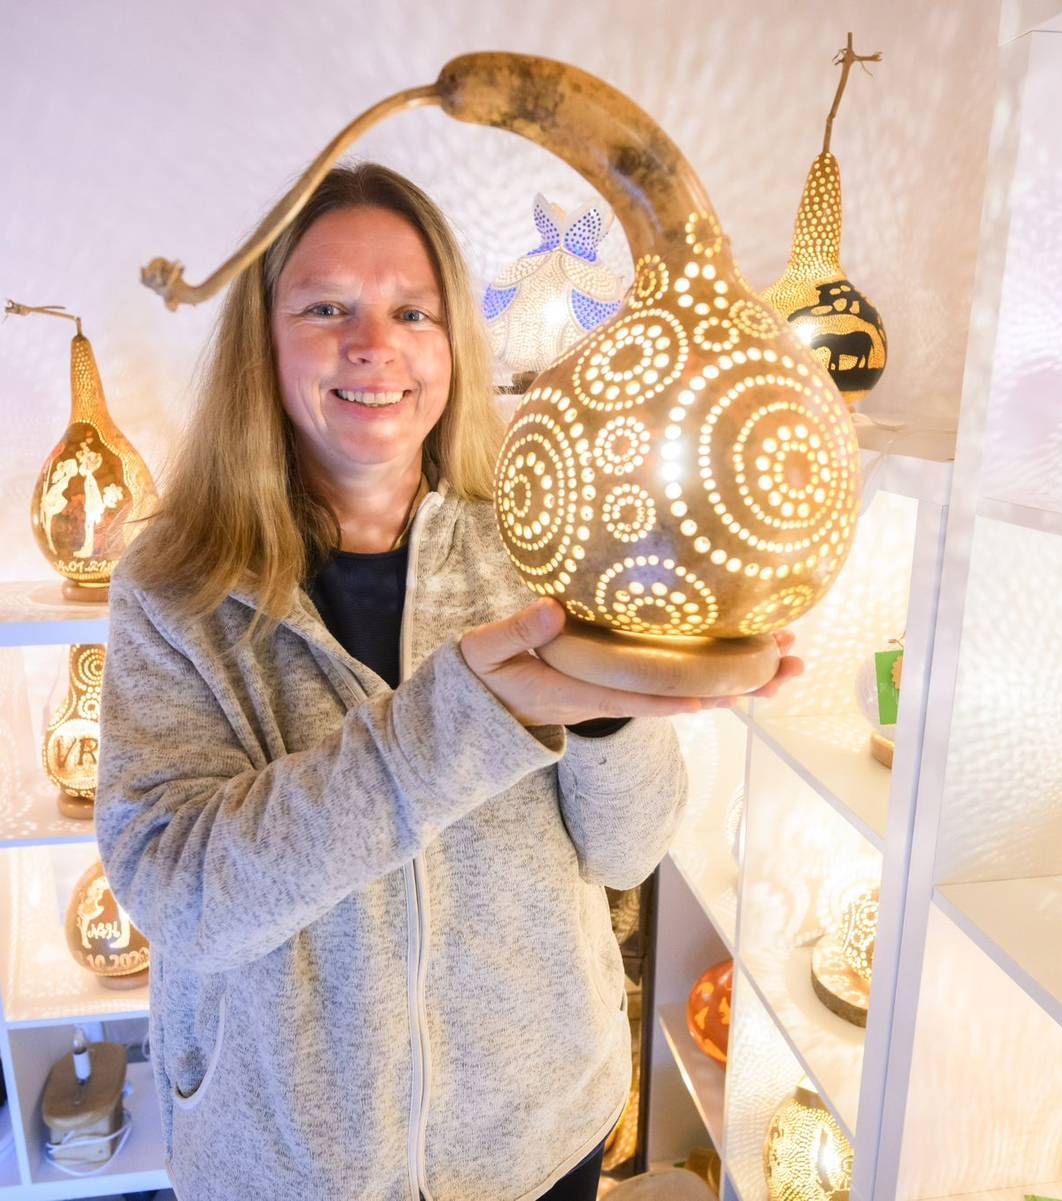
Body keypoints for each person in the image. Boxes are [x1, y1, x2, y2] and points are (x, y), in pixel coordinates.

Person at [95, 162, 801, 1201]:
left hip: (536, 1133)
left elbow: (626, 849)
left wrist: (614, 705)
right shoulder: (178, 587)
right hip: (291, 1166)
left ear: (453, 344)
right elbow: (180, 892)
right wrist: (467, 719)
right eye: (325, 307)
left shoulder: (542, 546)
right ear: (263, 342)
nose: (372, 344)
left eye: (411, 311)